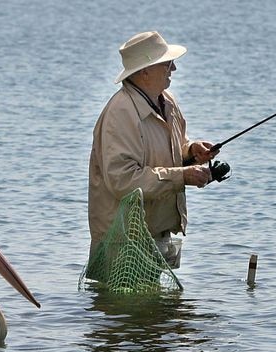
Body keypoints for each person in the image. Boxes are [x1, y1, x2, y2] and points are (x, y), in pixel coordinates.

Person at [88, 31, 221, 268]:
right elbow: (123, 181)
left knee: (162, 306)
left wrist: (191, 152)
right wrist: (182, 176)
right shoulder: (121, 113)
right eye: (167, 63)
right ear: (145, 71)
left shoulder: (167, 101)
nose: (173, 69)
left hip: (157, 236)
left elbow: (170, 151)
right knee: (121, 306)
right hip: (122, 245)